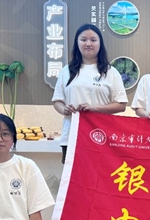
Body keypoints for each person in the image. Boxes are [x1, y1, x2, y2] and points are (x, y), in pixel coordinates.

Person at [52, 23, 127, 163]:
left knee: (102, 175)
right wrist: (64, 109)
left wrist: (94, 108)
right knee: (73, 175)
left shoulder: (111, 72)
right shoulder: (66, 70)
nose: (88, 44)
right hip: (72, 136)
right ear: (77, 43)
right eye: (83, 39)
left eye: (93, 40)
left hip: (102, 137)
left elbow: (121, 105)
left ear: (100, 43)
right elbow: (57, 101)